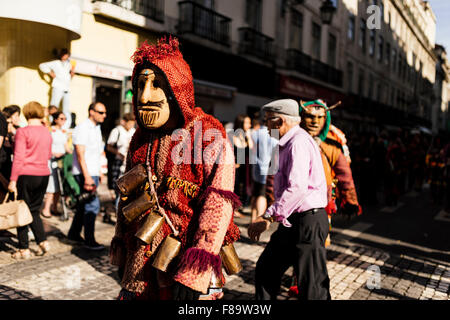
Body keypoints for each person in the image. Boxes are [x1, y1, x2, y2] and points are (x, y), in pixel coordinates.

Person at [109, 37, 240, 300]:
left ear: (177, 90)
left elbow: (218, 206)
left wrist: (195, 273)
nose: (145, 96)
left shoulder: (208, 135)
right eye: (140, 85)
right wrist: (122, 245)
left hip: (188, 264)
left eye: (156, 85)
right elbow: (127, 199)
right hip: (141, 264)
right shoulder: (139, 137)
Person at [248, 99, 330, 300]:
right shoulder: (286, 144)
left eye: (268, 121)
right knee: (267, 269)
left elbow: (297, 188)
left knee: (312, 286)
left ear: (280, 121)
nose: (266, 126)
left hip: (308, 220)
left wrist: (268, 216)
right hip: (293, 220)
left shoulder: (298, 143)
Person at [7, 101, 52, 259]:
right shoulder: (47, 132)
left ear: (26, 113)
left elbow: (18, 158)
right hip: (44, 174)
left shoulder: (23, 132)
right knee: (34, 209)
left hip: (26, 174)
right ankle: (43, 242)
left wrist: (13, 180)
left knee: (21, 209)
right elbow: (48, 155)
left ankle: (23, 248)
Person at [67, 101, 107, 250]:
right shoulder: (82, 128)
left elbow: (96, 153)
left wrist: (100, 171)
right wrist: (88, 176)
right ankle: (89, 240)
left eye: (104, 113)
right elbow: (80, 154)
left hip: (93, 172)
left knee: (84, 204)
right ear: (92, 112)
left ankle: (73, 234)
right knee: (92, 206)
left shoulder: (96, 128)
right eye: (101, 112)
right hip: (85, 173)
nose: (104, 115)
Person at [41, 111, 72, 218]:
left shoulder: (64, 131)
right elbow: (45, 146)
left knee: (59, 186)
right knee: (51, 187)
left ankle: (54, 207)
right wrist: (53, 153)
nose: (64, 121)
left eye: (65, 119)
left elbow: (66, 146)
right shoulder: (50, 130)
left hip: (61, 161)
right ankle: (46, 209)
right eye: (61, 118)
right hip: (51, 161)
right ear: (55, 119)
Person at [249, 117, 278, 223]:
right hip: (268, 169)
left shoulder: (256, 133)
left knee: (255, 193)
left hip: (256, 167)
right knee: (262, 195)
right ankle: (258, 220)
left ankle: (252, 218)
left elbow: (251, 148)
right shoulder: (274, 134)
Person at [39, 48, 75, 129]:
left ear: (68, 55)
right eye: (62, 54)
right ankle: (52, 123)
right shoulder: (56, 63)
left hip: (66, 88)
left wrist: (72, 74)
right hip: (58, 86)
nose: (64, 55)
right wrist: (50, 73)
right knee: (54, 106)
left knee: (66, 108)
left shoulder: (69, 65)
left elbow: (68, 77)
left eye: (65, 54)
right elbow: (42, 65)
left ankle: (65, 126)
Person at [106, 112, 136, 206]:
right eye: (129, 123)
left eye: (132, 124)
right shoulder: (117, 131)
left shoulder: (133, 131)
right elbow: (109, 147)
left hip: (129, 161)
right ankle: (117, 208)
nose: (131, 126)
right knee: (119, 187)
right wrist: (119, 153)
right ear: (124, 122)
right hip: (119, 162)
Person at [233, 114, 253, 211]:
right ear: (241, 123)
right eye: (247, 123)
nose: (250, 125)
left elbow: (251, 149)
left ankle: (237, 208)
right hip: (235, 168)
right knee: (235, 188)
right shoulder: (233, 136)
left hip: (245, 168)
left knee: (242, 189)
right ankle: (234, 210)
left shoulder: (246, 137)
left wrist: (248, 136)